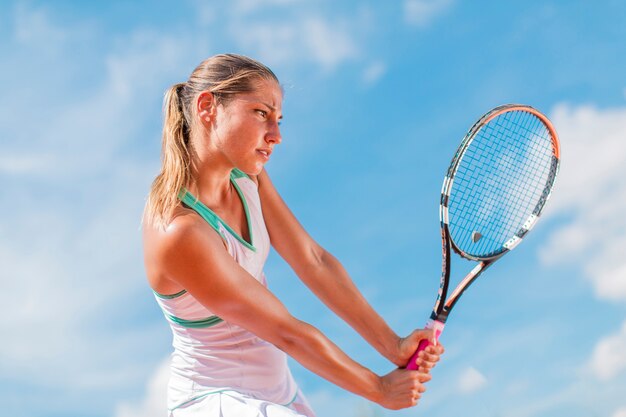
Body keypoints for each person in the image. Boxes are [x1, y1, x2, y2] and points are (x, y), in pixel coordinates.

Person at [142, 53, 444, 417]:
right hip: (213, 401)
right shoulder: (180, 230)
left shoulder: (246, 177)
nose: (276, 135)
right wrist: (378, 388)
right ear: (208, 107)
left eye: (279, 119)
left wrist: (393, 346)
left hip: (280, 393)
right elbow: (285, 331)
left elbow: (312, 260)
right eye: (260, 113)